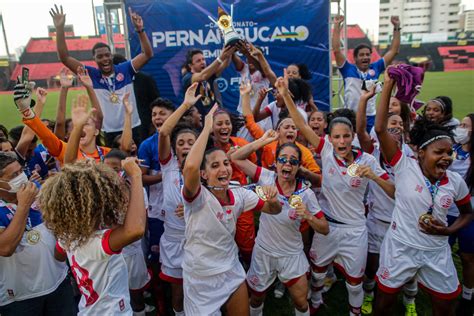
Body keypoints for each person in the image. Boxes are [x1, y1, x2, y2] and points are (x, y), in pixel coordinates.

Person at [279, 69, 395, 315]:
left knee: (355, 283)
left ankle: (354, 312)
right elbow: (301, 123)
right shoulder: (327, 152)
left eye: (346, 136)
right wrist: (286, 97)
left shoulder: (367, 161)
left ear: (353, 136)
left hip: (355, 231)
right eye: (336, 137)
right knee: (318, 273)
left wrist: (373, 176)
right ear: (329, 139)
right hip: (327, 227)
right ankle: (318, 301)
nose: (341, 142)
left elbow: (393, 192)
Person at [373, 72, 473, 316]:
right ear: (421, 153)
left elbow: (467, 213)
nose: (446, 158)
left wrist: (449, 231)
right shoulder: (404, 166)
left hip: (436, 251)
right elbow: (379, 128)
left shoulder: (456, 182)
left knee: (444, 306)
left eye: (449, 153)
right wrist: (387, 85)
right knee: (384, 303)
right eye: (439, 152)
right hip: (400, 247)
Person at [181, 104, 282, 315]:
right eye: (215, 165)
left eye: (226, 163)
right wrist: (207, 126)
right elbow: (190, 167)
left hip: (230, 270)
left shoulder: (239, 194)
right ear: (204, 175)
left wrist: (272, 200)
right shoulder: (197, 197)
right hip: (200, 277)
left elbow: (275, 210)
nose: (224, 168)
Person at [231, 132, 329, 316]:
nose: (287, 164)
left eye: (293, 161)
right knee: (256, 298)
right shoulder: (266, 177)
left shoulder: (306, 194)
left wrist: (308, 216)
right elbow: (236, 157)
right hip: (264, 252)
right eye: (282, 159)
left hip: (291, 254)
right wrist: (264, 141)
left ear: (298, 166)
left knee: (301, 303)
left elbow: (325, 228)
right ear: (275, 163)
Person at [42, 158, 146, 314]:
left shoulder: (68, 236)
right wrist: (136, 176)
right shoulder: (96, 243)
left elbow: (59, 255)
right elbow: (135, 230)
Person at [50, 5, 153, 146]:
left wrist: (140, 30)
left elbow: (147, 54)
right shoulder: (91, 74)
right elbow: (65, 58)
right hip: (108, 131)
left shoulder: (125, 69)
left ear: (111, 55)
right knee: (113, 165)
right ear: (94, 59)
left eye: (107, 55)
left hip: (133, 126)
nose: (105, 59)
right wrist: (60, 29)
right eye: (100, 56)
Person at [356, 87, 418, 315]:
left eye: (400, 123)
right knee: (372, 265)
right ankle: (369, 294)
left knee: (409, 267)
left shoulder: (412, 156)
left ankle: (410, 300)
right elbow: (360, 130)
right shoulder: (373, 152)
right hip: (377, 220)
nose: (396, 126)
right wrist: (364, 100)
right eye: (391, 122)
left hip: (405, 222)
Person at [0, 152, 75, 316]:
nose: (22, 177)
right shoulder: (16, 204)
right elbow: (5, 248)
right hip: (21, 298)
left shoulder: (39, 192)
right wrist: (23, 206)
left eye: (21, 171)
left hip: (59, 283)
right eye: (14, 175)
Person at [157, 83, 201, 316]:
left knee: (199, 288)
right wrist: (185, 105)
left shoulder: (203, 168)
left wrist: (195, 209)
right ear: (174, 148)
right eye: (181, 143)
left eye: (191, 143)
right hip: (174, 239)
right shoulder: (168, 165)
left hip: (199, 238)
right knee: (178, 292)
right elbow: (164, 132)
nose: (185, 146)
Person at [332, 15, 401, 132]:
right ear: (355, 58)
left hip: (371, 117)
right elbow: (337, 50)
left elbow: (394, 51)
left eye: (368, 54)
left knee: (371, 147)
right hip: (351, 116)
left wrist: (397, 27)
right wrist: (337, 26)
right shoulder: (347, 68)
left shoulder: (377, 67)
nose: (365, 57)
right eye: (362, 55)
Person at [447, 114, 474, 315]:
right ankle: (446, 289)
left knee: (467, 257)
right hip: (447, 212)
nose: (460, 128)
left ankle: (467, 296)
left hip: (469, 215)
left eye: (465, 125)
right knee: (443, 254)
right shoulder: (452, 150)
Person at [232, 42, 276, 141]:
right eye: (249, 56)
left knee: (266, 148)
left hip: (261, 117)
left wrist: (248, 53)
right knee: (243, 146)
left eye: (255, 56)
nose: (251, 59)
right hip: (244, 117)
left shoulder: (264, 72)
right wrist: (230, 44)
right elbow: (233, 57)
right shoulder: (244, 69)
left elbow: (262, 67)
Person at [113, 54, 160, 140]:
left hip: (144, 127)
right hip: (122, 128)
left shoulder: (145, 79)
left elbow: (156, 102)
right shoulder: (112, 85)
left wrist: (153, 125)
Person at [182, 46, 236, 117]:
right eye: (198, 61)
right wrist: (221, 58)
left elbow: (225, 64)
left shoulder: (209, 74)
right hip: (198, 119)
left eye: (203, 59)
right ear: (190, 65)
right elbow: (202, 76)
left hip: (213, 117)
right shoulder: (188, 77)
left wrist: (229, 50)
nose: (202, 62)